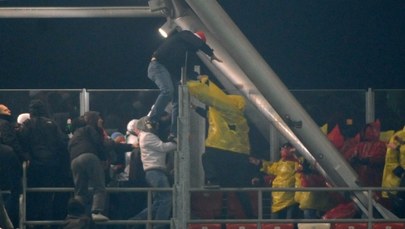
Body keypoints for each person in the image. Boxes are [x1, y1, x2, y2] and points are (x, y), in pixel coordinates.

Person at [187, 76, 258, 219]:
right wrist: (196, 108)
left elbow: (214, 99)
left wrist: (201, 82)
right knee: (237, 188)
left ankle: (212, 180)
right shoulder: (236, 117)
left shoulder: (229, 109)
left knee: (207, 158)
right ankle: (251, 218)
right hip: (240, 155)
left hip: (223, 149)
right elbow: (211, 115)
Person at [147, 30, 222, 141]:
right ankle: (152, 119)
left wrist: (197, 76)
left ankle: (174, 133)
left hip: (168, 71)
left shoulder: (187, 53)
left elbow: (188, 72)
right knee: (168, 91)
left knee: (177, 99)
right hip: (158, 66)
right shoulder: (183, 35)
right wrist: (210, 52)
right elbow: (195, 41)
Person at [18, 99, 70, 226]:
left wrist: (26, 155)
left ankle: (33, 223)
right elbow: (62, 142)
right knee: (48, 196)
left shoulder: (28, 124)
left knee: (32, 196)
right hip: (52, 165)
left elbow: (22, 140)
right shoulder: (52, 124)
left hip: (35, 166)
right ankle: (47, 223)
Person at [128, 116, 177, 229]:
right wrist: (177, 143)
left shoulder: (144, 136)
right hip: (156, 172)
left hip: (153, 172)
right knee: (166, 198)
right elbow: (163, 147)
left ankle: (135, 220)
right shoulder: (148, 136)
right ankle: (159, 226)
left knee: (158, 202)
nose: (156, 125)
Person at [250, 143, 300, 219]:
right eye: (282, 148)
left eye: (285, 148)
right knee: (284, 224)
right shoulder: (281, 163)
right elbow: (272, 170)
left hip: (289, 198)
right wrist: (260, 165)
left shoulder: (297, 163)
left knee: (289, 223)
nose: (283, 150)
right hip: (280, 198)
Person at [0, 104, 28, 228]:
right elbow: (11, 141)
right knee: (15, 192)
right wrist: (24, 156)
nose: (9, 110)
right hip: (7, 162)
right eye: (6, 110)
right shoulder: (4, 124)